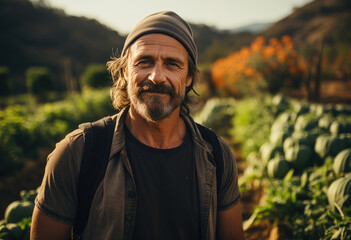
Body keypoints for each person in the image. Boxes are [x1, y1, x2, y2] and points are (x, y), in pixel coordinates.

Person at [30, 11, 245, 240]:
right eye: (145, 61)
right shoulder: (78, 152)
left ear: (189, 77)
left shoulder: (217, 155)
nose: (156, 76)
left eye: (172, 64)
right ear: (125, 71)